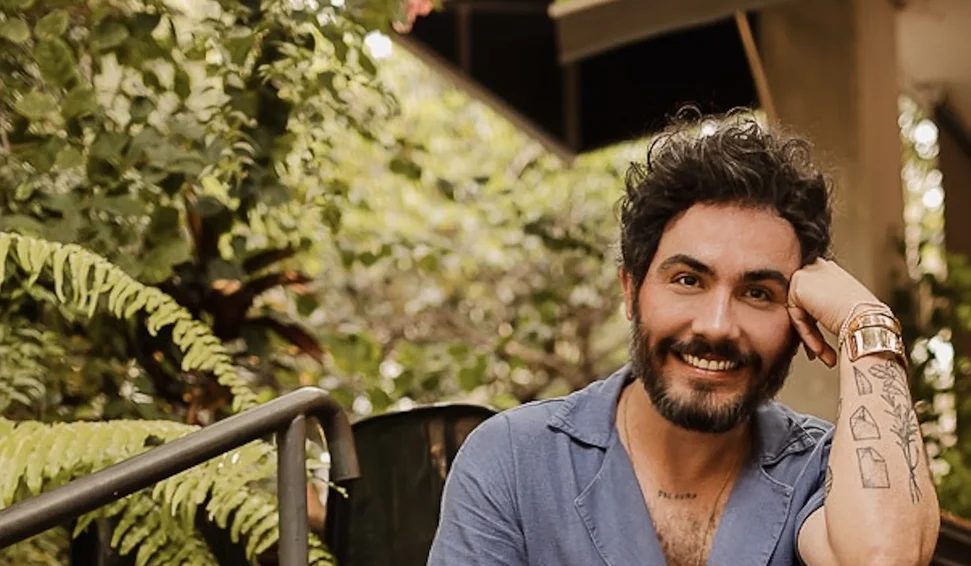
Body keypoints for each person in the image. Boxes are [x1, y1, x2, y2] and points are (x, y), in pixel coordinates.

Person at [426, 111, 941, 566]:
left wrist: (865, 320)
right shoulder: (516, 461)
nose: (717, 326)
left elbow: (884, 558)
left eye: (758, 293)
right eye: (689, 280)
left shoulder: (820, 471)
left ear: (798, 316)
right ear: (631, 291)